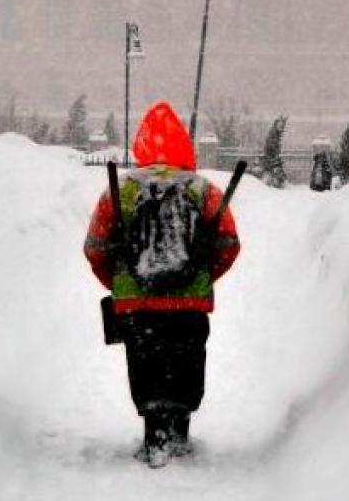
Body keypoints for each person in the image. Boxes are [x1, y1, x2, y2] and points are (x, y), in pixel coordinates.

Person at [83, 101, 240, 468]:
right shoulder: (203, 190)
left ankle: (154, 434)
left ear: (141, 144)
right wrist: (200, 276)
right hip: (189, 305)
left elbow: (95, 247)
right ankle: (180, 430)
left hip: (137, 305)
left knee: (147, 364)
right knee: (185, 361)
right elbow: (229, 244)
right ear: (184, 144)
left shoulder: (120, 192)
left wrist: (122, 282)